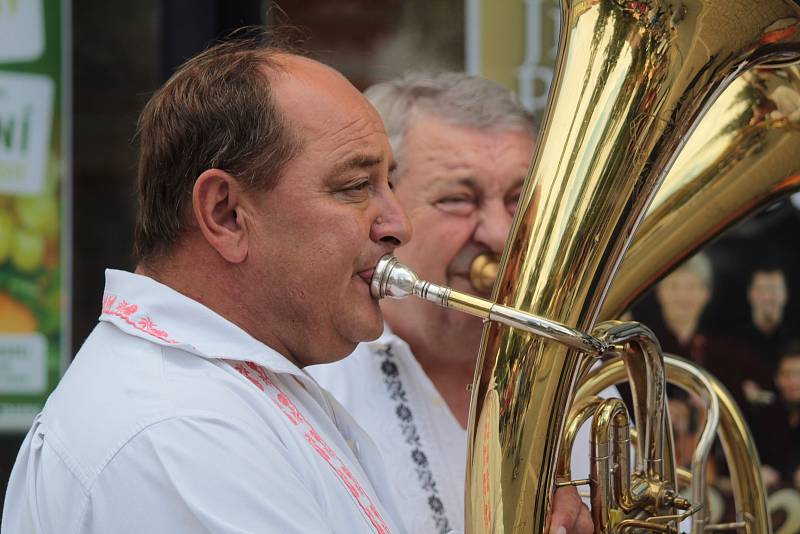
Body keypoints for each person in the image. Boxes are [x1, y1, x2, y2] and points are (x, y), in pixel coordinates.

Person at [1, 37, 589, 534]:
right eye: (356, 186)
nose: (396, 224)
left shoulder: (231, 391)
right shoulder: (180, 436)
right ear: (226, 214)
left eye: (389, 183)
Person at [309, 72, 593, 534]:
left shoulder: (588, 384)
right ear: (385, 212)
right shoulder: (317, 385)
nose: (501, 234)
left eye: (520, 199)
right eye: (460, 200)